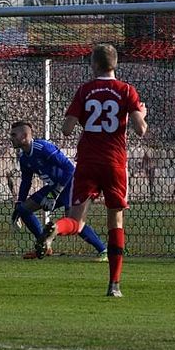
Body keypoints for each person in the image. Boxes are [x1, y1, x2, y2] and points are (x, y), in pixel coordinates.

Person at [36, 44, 147, 298]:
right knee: (115, 221)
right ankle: (114, 285)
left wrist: (85, 120)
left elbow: (66, 129)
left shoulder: (85, 90)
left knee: (76, 221)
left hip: (87, 162)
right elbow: (140, 130)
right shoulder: (126, 90)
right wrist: (141, 113)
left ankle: (56, 228)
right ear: (115, 64)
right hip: (114, 163)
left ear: (94, 64)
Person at [8, 121, 107, 261]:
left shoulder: (43, 148)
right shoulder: (24, 158)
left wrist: (54, 194)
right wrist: (19, 203)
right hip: (53, 188)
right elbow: (26, 181)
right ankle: (44, 246)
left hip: (70, 185)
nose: (11, 138)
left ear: (24, 136)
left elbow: (69, 170)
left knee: (74, 222)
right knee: (24, 210)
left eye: (14, 135)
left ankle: (103, 251)